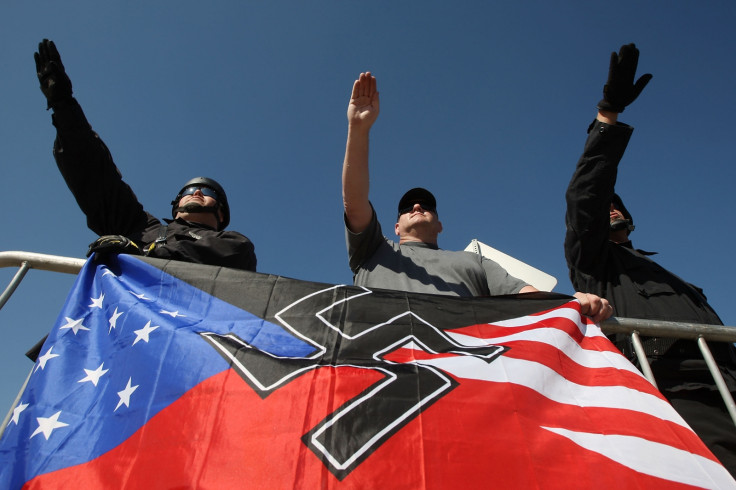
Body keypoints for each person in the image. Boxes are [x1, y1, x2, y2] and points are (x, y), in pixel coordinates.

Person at [564, 43, 736, 473]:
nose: (613, 208)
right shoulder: (594, 261)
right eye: (607, 206)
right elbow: (586, 193)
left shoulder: (659, 268)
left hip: (727, 381)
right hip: (677, 391)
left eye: (618, 204)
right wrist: (607, 116)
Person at [342, 72, 611, 323]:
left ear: (440, 225)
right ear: (396, 227)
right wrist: (358, 127)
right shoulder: (374, 250)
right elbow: (355, 203)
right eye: (406, 208)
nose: (417, 206)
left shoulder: (474, 262)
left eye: (427, 206)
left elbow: (527, 297)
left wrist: (572, 304)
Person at [34, 39, 256, 272]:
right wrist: (63, 105)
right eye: (188, 191)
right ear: (176, 203)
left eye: (208, 192)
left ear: (221, 212)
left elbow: (234, 258)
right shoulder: (139, 226)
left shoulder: (233, 243)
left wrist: (140, 253)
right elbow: (95, 175)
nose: (197, 192)